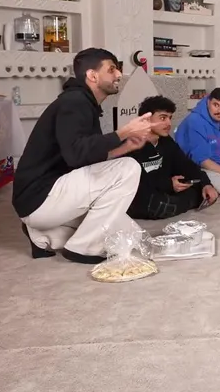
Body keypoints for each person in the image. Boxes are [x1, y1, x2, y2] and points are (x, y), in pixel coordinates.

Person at [12, 48, 151, 264]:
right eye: (111, 69)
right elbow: (76, 155)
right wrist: (123, 132)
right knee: (129, 168)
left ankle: (41, 235)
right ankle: (83, 248)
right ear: (92, 75)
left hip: (48, 200)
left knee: (131, 235)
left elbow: (86, 157)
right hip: (40, 197)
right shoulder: (74, 102)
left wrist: (124, 147)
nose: (119, 74)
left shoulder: (83, 103)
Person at [126, 96, 220, 219]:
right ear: (146, 119)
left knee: (200, 189)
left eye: (170, 118)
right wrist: (168, 184)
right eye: (163, 118)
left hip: (164, 193)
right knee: (157, 203)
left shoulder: (166, 141)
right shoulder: (131, 144)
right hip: (141, 199)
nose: (169, 123)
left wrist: (206, 184)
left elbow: (186, 165)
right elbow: (135, 183)